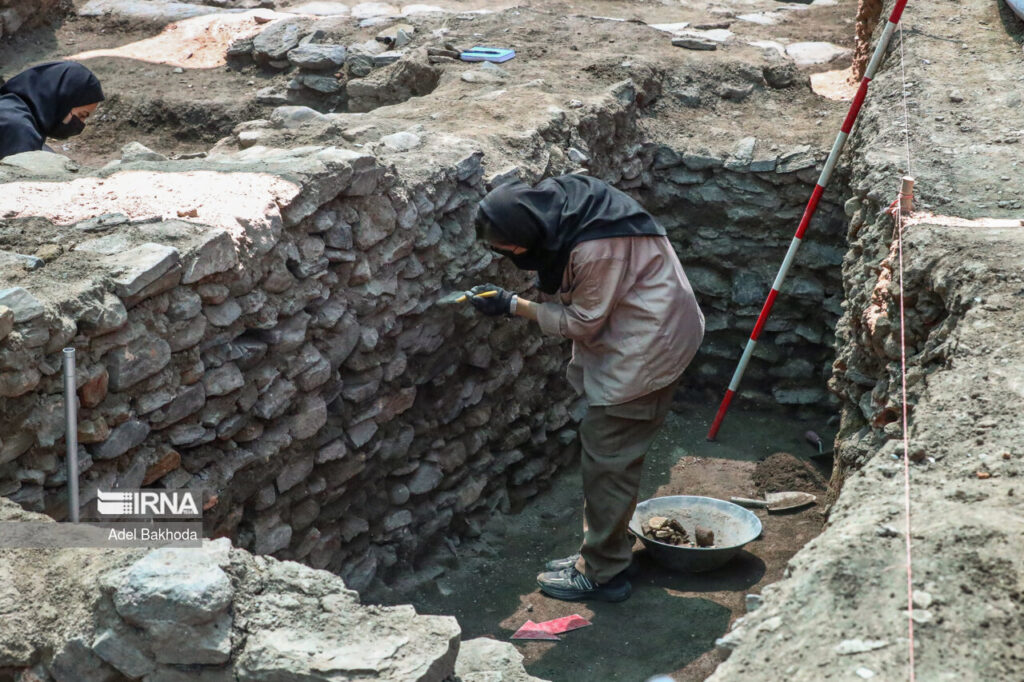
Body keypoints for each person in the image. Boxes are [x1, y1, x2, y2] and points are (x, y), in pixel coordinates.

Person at [467, 174, 705, 602]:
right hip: (656, 322)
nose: (507, 257)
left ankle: (603, 573)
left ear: (528, 233)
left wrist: (513, 306)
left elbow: (583, 321)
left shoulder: (596, 249)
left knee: (608, 462)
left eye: (508, 249)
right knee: (608, 455)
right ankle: (597, 552)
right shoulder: (573, 206)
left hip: (646, 350)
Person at [0, 61, 104, 160]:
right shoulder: (19, 129)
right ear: (62, 102)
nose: (81, 123)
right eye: (82, 115)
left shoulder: (10, 107)